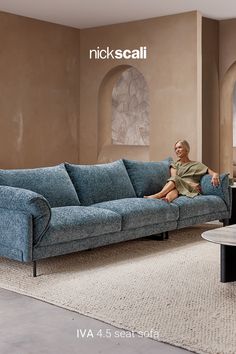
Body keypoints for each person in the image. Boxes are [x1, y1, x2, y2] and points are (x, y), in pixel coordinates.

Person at [144, 139, 220, 202]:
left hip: (191, 189)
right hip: (180, 187)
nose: (177, 150)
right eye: (175, 149)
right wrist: (189, 183)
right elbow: (174, 178)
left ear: (186, 149)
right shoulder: (174, 164)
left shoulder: (197, 164)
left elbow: (213, 172)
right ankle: (166, 200)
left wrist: (215, 175)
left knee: (176, 184)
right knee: (175, 187)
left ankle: (158, 195)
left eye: (179, 147)